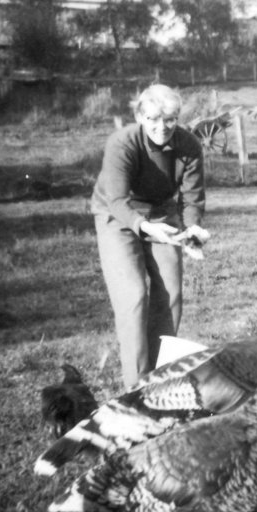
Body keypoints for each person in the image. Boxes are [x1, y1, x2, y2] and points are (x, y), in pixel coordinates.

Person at [91, 84, 210, 387]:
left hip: (161, 213)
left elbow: (192, 198)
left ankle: (160, 379)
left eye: (170, 119)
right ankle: (135, 388)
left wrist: (192, 229)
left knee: (171, 293)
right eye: (154, 118)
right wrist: (143, 227)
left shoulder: (189, 146)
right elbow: (117, 200)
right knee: (133, 295)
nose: (162, 127)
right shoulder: (123, 142)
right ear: (140, 116)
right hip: (117, 214)